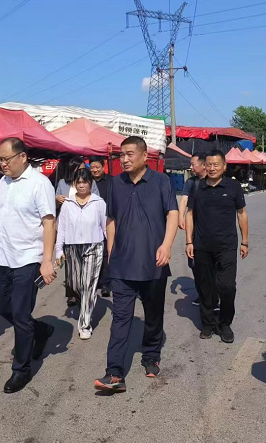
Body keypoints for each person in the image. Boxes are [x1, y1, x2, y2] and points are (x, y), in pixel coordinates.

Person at [94, 136, 178, 393]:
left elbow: (172, 213)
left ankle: (151, 355)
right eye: (122, 155)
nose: (125, 159)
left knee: (153, 315)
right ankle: (114, 373)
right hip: (122, 264)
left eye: (130, 154)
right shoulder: (115, 183)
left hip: (153, 262)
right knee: (120, 318)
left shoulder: (161, 181)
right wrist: (111, 250)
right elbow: (111, 218)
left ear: (144, 156)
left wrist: (166, 245)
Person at [0, 137, 57, 394]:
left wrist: (47, 260)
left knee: (20, 314)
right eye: (0, 159)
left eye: (6, 159)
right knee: (4, 308)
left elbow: (49, 223)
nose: (3, 164)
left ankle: (21, 369)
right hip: (4, 257)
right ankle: (41, 330)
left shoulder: (39, 183)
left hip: (28, 258)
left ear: (23, 157)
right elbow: (1, 216)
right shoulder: (3, 183)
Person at [184, 151, 249, 344]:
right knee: (205, 287)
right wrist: (189, 241)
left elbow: (242, 214)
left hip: (227, 246)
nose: (212, 168)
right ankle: (208, 323)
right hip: (202, 245)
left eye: (216, 165)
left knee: (227, 286)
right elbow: (190, 214)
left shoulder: (233, 186)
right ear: (205, 166)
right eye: (209, 165)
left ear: (224, 166)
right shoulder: (198, 187)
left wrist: (245, 241)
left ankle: (225, 323)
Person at [54, 168, 107, 339]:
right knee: (75, 285)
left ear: (91, 183)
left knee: (88, 285)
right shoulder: (68, 204)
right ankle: (84, 303)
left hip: (94, 247)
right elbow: (61, 228)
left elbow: (105, 227)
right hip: (72, 248)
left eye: (85, 182)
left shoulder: (99, 203)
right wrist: (59, 249)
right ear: (74, 184)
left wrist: (114, 248)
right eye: (79, 182)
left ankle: (85, 324)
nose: (82, 185)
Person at [55, 157, 99, 308]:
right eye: (79, 168)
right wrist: (57, 199)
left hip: (86, 228)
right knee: (70, 262)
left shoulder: (91, 183)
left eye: (83, 168)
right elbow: (55, 200)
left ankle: (86, 292)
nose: (82, 171)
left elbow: (97, 200)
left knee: (85, 263)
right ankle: (72, 293)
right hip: (68, 228)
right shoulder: (63, 183)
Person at [177, 152, 208, 306]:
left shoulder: (213, 181)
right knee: (194, 263)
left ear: (203, 165)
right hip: (194, 229)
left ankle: (211, 295)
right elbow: (184, 200)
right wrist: (180, 217)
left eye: (193, 164)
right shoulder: (191, 182)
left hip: (211, 229)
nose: (191, 167)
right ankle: (202, 293)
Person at [88, 156, 112, 297]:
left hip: (107, 221)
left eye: (97, 167)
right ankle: (94, 281)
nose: (95, 170)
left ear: (103, 167)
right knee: (93, 253)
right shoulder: (87, 181)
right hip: (90, 222)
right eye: (92, 167)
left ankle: (106, 284)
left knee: (106, 252)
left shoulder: (112, 181)